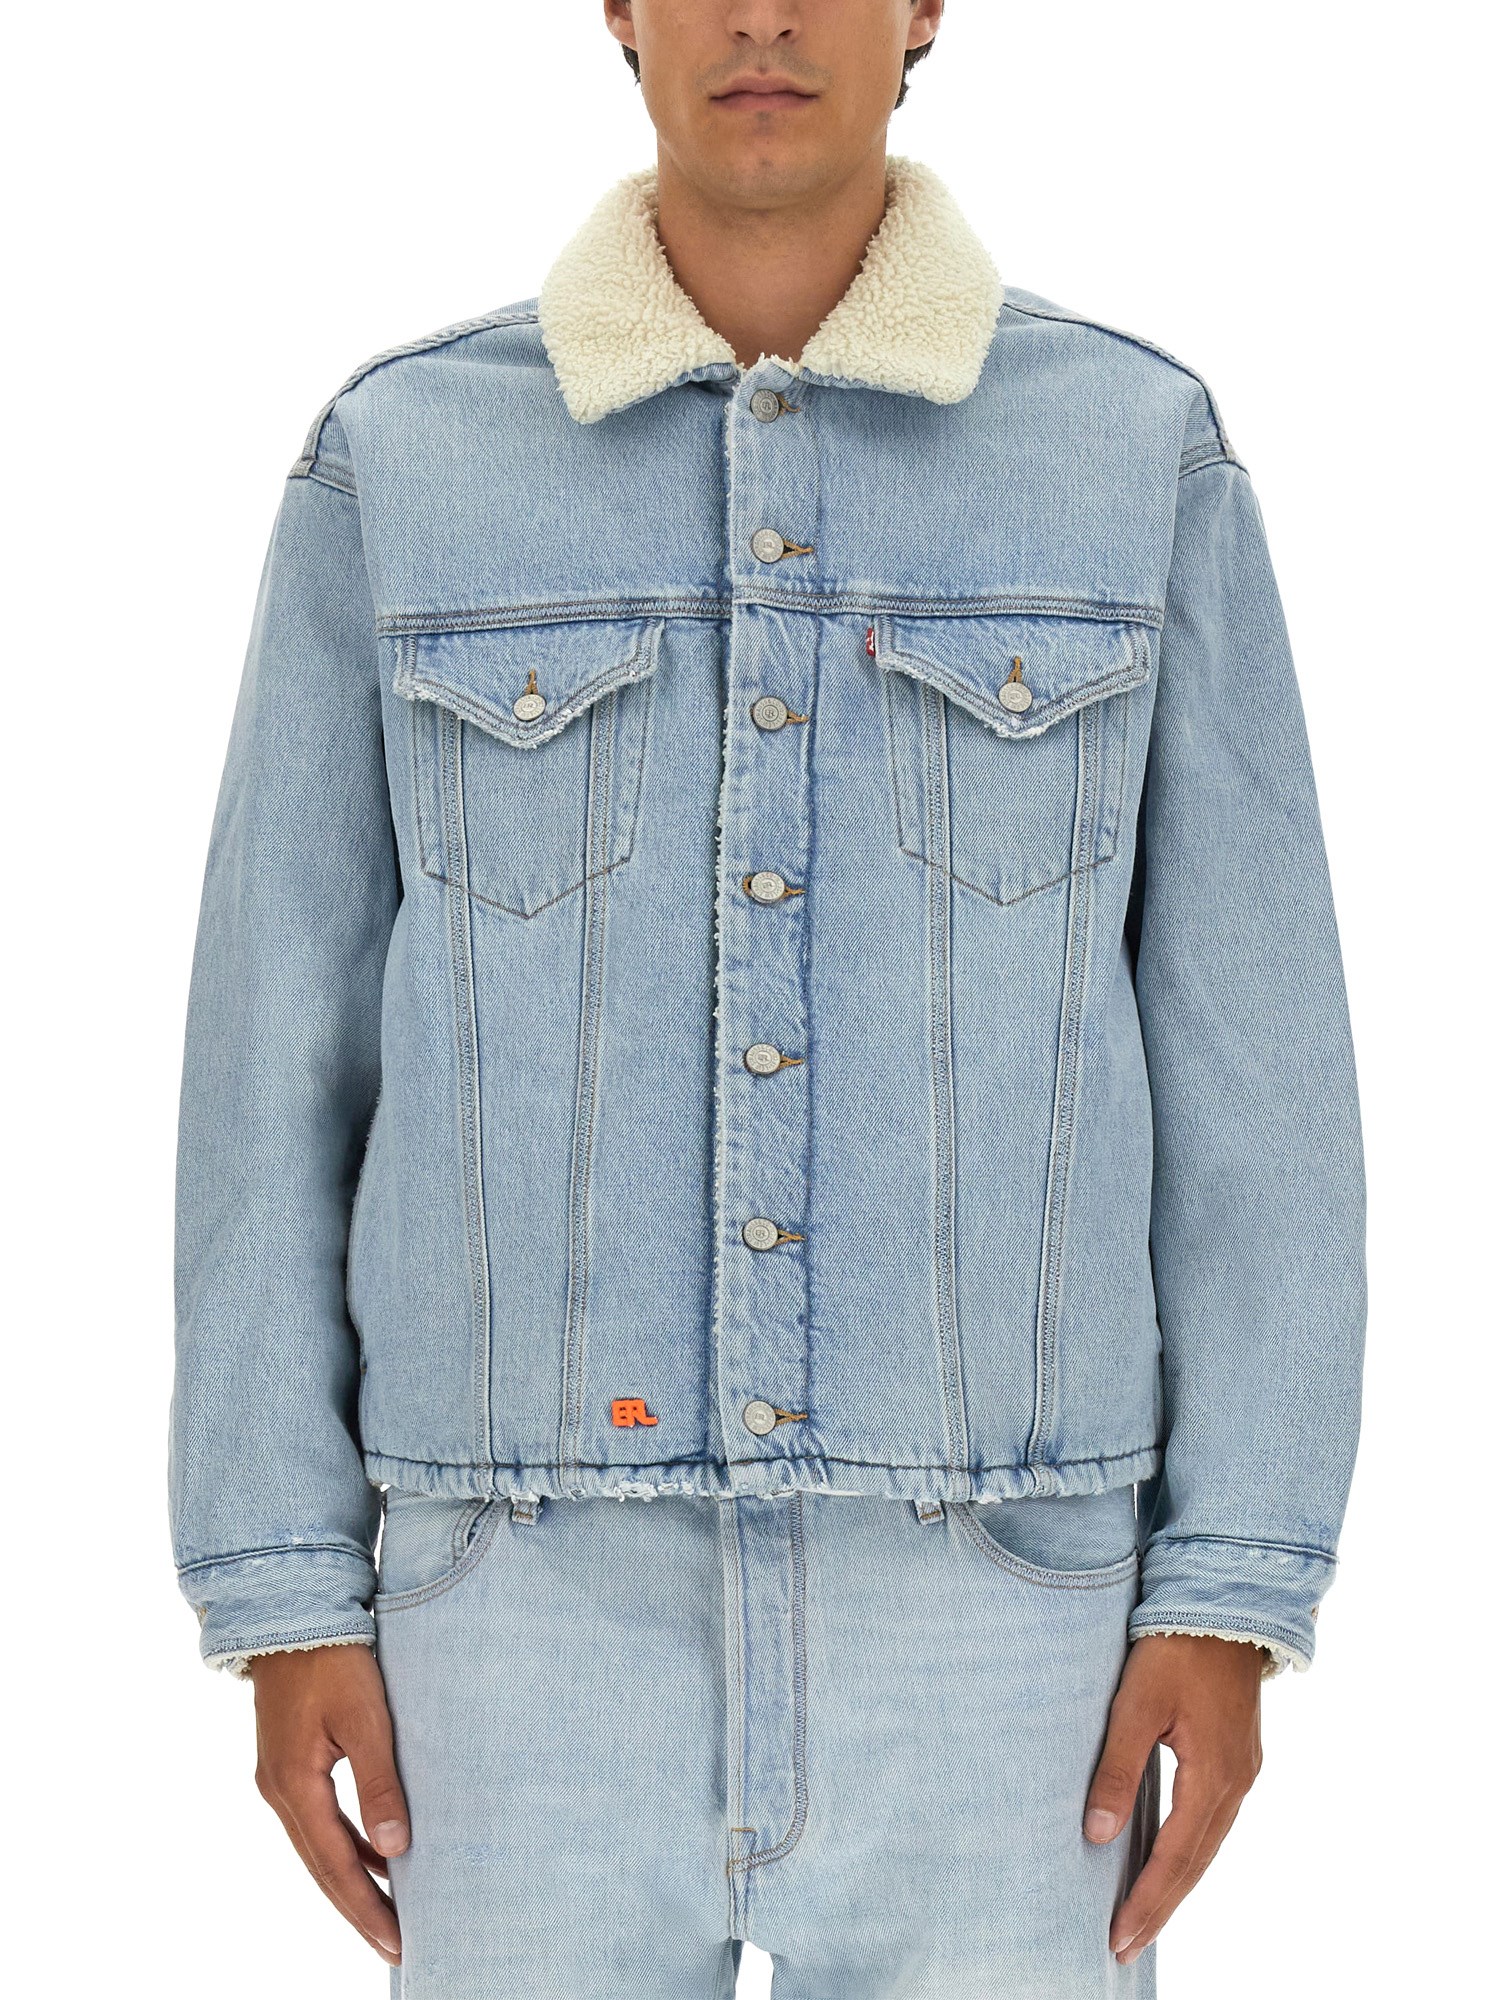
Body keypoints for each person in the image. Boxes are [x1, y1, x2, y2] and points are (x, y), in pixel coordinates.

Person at [169, 3, 1366, 1994]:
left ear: (929, 8)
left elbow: (1260, 1073)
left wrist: (1233, 1582)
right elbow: (267, 1066)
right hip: (516, 1606)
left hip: (1011, 1616)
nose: (765, 18)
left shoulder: (1129, 452)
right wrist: (284, 1587)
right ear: (617, 8)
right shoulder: (403, 463)